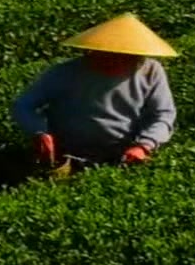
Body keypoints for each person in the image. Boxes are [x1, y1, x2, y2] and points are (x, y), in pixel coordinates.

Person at [13, 14, 178, 170]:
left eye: (121, 57)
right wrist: (39, 131)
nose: (112, 61)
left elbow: (163, 115)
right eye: (105, 55)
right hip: (66, 156)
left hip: (123, 155)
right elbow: (24, 105)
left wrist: (143, 146)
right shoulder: (65, 72)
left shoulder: (150, 71)